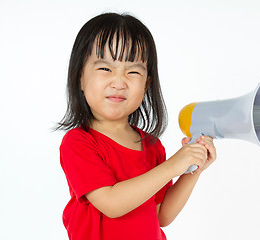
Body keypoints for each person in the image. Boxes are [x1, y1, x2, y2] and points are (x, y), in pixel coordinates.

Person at [57, 12, 216, 240]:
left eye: (133, 72)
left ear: (146, 84)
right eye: (105, 69)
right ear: (80, 77)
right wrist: (174, 165)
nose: (119, 82)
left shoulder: (152, 146)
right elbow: (111, 203)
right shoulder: (78, 143)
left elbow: (162, 215)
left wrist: (193, 168)